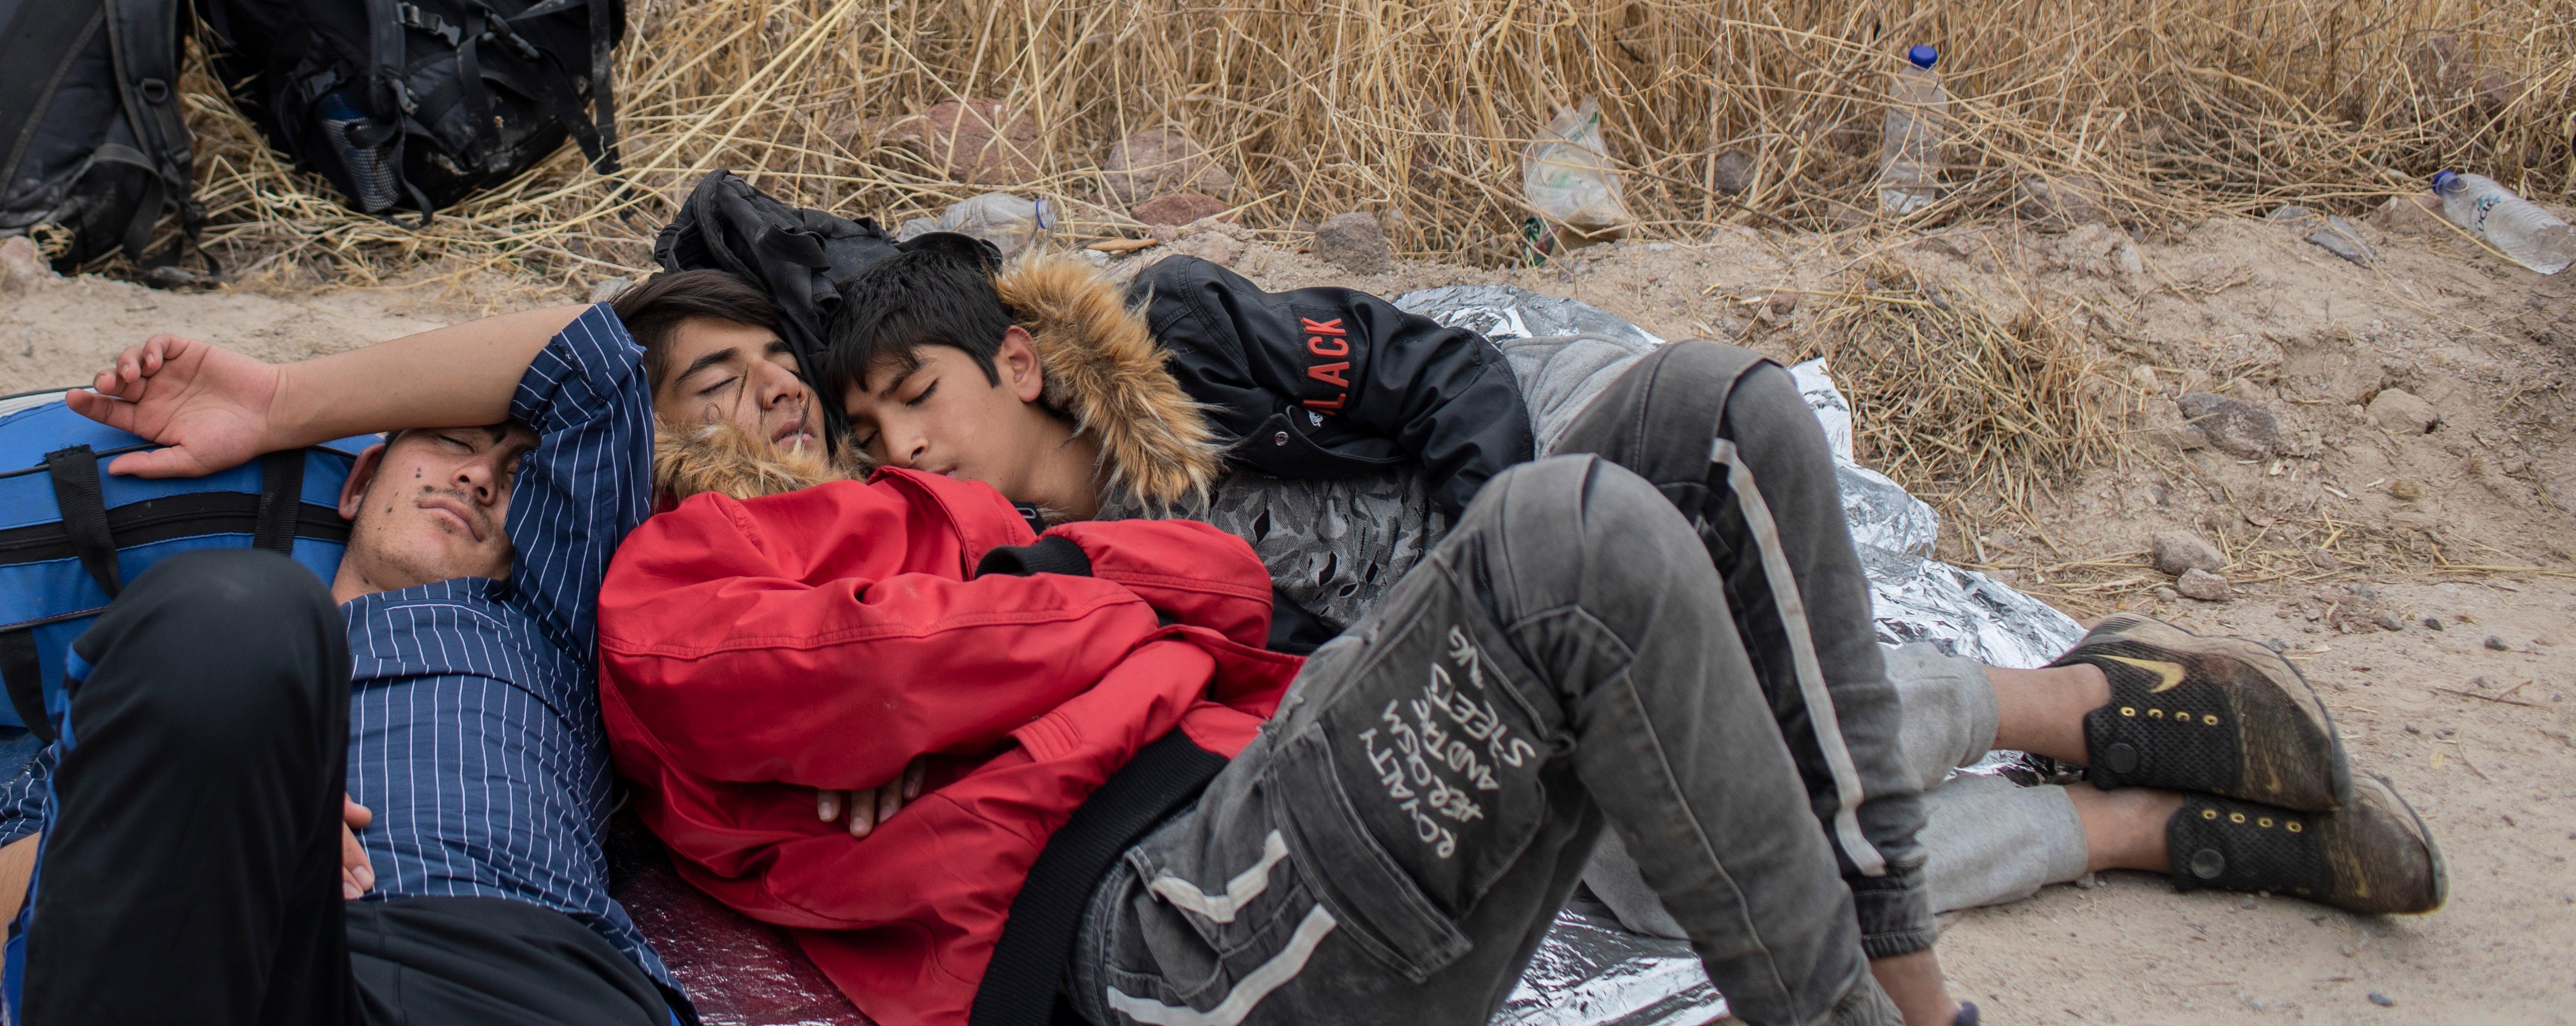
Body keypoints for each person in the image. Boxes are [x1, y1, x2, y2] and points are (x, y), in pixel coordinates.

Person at [797, 235, 2441, 928]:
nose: (898, 449)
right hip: (1462, 653)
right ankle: (2144, 823)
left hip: (1550, 463)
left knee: (1709, 733)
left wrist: (1497, 579)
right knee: (1653, 882)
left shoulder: (1176, 329)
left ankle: (2073, 703)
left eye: (911, 404)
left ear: (1016, 362)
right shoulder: (1044, 569)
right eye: (867, 435)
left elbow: (1434, 373)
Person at [0, 300, 681, 1026]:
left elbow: (593, 358)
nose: (479, 475)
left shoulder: (554, 622)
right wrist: (185, 811)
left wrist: (277, 401)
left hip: (508, 971)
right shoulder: (184, 684)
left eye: (518, 476)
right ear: (361, 481)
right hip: (222, 965)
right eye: (451, 441)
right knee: (232, 611)